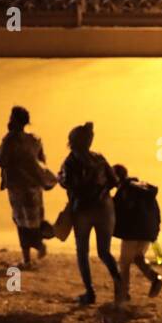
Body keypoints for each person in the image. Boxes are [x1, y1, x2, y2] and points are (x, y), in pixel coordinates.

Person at [58, 122, 121, 305]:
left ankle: (90, 292)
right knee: (104, 252)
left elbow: (66, 183)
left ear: (72, 142)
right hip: (104, 208)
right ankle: (120, 286)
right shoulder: (99, 159)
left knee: (82, 252)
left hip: (82, 210)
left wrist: (60, 178)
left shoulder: (70, 162)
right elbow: (114, 181)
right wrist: (101, 191)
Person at [0, 106, 51, 269]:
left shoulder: (10, 140)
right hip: (34, 185)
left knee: (20, 221)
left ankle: (29, 257)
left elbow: (1, 160)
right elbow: (42, 161)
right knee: (34, 219)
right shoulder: (35, 139)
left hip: (17, 186)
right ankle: (38, 246)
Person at [113, 163, 162, 301]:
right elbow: (156, 211)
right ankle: (156, 278)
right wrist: (154, 232)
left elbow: (119, 211)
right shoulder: (144, 188)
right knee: (138, 258)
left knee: (124, 262)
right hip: (148, 231)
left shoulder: (125, 190)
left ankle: (124, 292)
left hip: (132, 232)